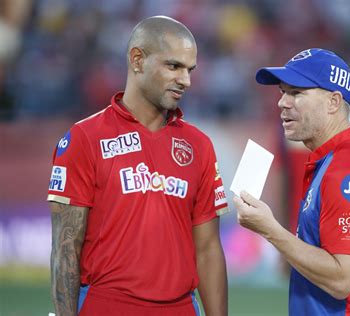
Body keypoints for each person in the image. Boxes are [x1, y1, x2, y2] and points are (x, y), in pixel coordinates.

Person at [48, 16, 229, 316]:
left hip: (180, 308)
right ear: (137, 59)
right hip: (105, 306)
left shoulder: (199, 146)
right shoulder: (84, 138)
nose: (186, 80)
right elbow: (66, 248)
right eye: (174, 66)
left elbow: (208, 250)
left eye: (190, 70)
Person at [234, 48, 350, 315]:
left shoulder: (348, 172)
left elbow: (341, 279)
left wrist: (270, 230)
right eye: (283, 92)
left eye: (297, 93)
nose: (282, 102)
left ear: (333, 102)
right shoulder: (334, 162)